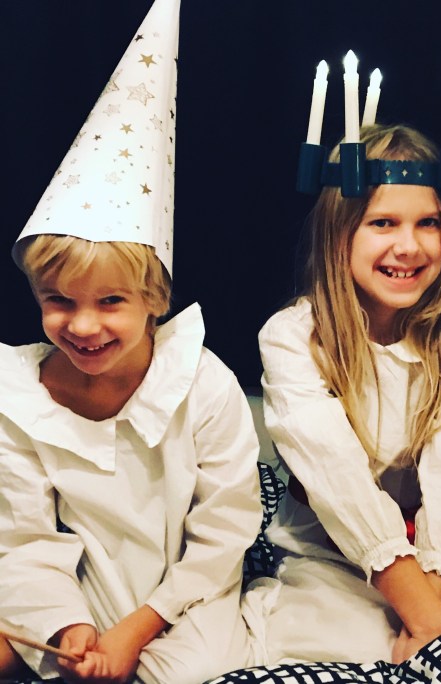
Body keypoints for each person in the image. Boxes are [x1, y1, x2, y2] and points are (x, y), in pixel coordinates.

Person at [0, 2, 263, 681]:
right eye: (59, 301)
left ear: (154, 300)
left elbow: (224, 532)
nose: (83, 326)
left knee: (188, 673)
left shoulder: (202, 385)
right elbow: (25, 537)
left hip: (183, 598)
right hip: (72, 593)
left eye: (111, 301)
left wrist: (137, 629)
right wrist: (72, 628)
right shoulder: (16, 396)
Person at [250, 124, 441, 665]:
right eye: (383, 223)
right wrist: (427, 621)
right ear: (338, 234)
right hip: (329, 557)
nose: (408, 246)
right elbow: (337, 477)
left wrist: (430, 604)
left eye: (428, 223)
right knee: (345, 655)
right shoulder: (294, 336)